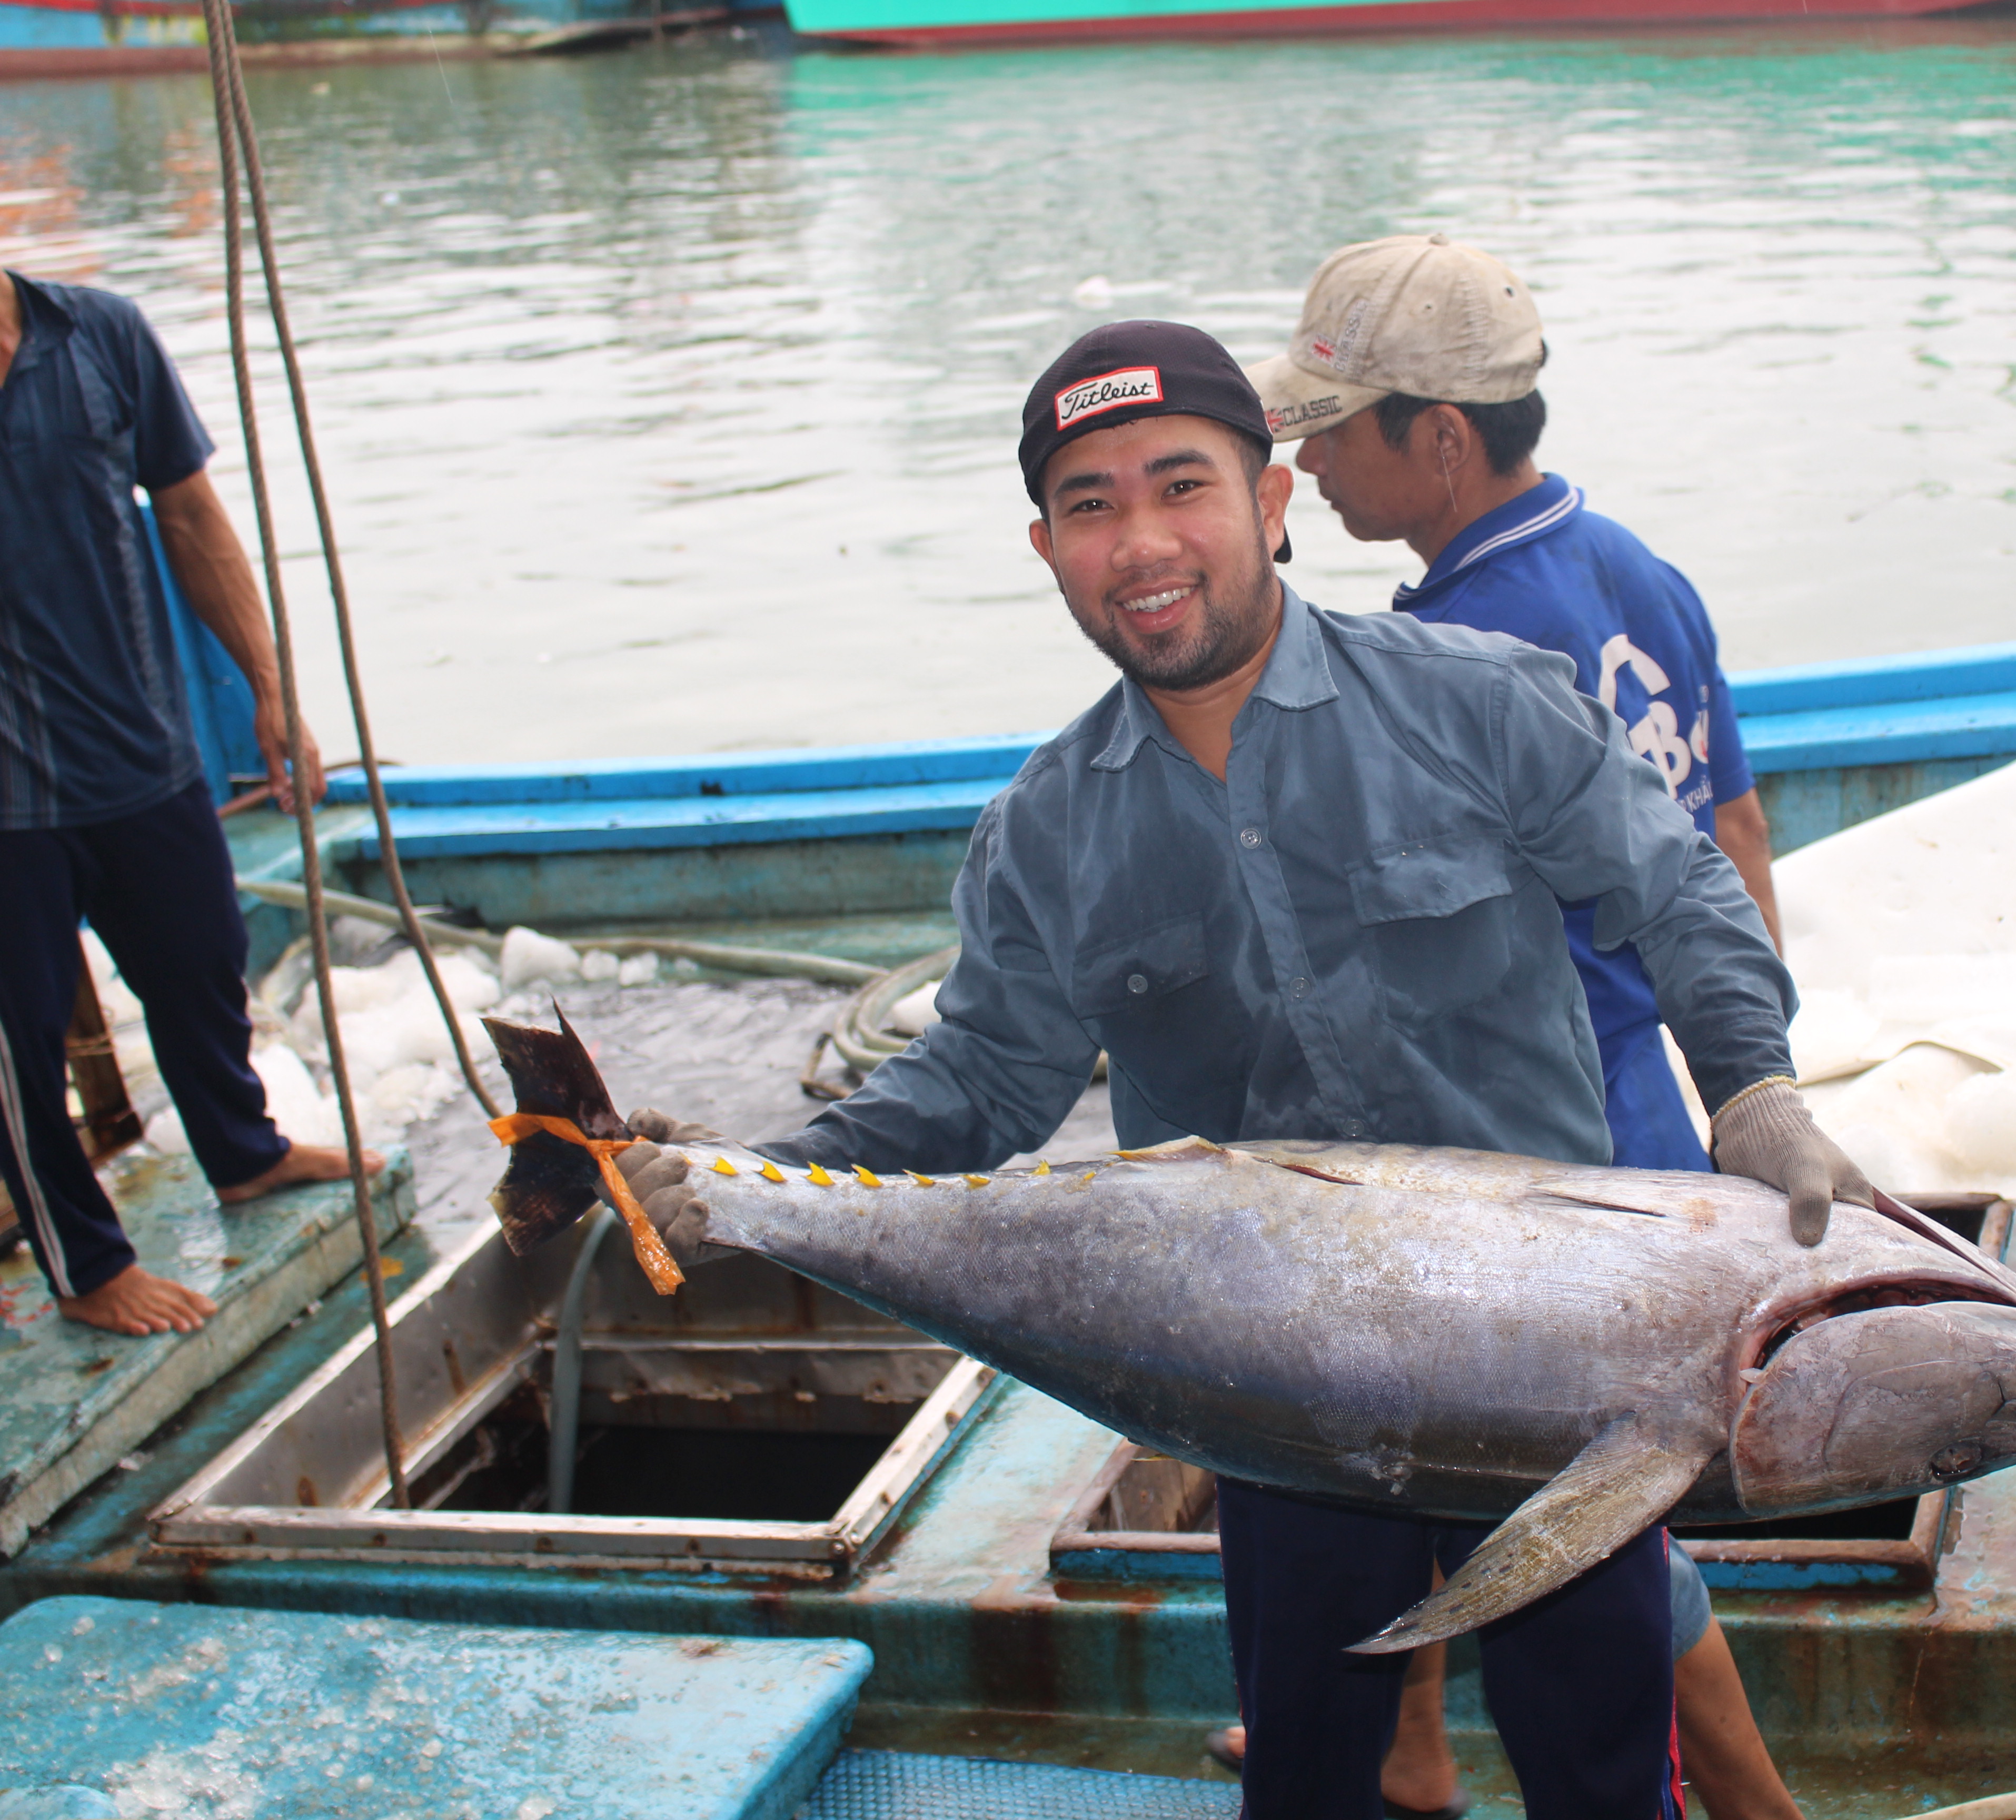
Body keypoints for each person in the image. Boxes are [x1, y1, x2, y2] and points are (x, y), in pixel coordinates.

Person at [610, 320, 1871, 1820]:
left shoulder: (1481, 700)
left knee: (1602, 1771)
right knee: (1312, 1782)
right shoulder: (1049, 832)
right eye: (1090, 506)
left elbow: (1677, 895)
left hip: (1553, 1375)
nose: (1142, 542)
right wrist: (738, 1176)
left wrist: (1754, 1092)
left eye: (1180, 486)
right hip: (1276, 1406)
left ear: (1270, 502)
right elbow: (977, 1089)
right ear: (1046, 548)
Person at [1244, 234, 1811, 1819]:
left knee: (1578, 1493)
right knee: (1505, 1455)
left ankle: (1751, 1801)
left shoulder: (1466, 656)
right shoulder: (1637, 568)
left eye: (1332, 430)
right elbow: (1736, 834)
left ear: (1438, 436)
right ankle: (1417, 1739)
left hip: (1542, 1118)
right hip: (1651, 1080)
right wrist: (1753, 1078)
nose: (1309, 461)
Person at [0, 268, 378, 1338]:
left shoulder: (100, 335)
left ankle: (245, 1154)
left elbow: (191, 511)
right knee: (15, 1039)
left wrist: (268, 684)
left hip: (137, 747)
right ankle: (86, 1265)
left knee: (203, 964)